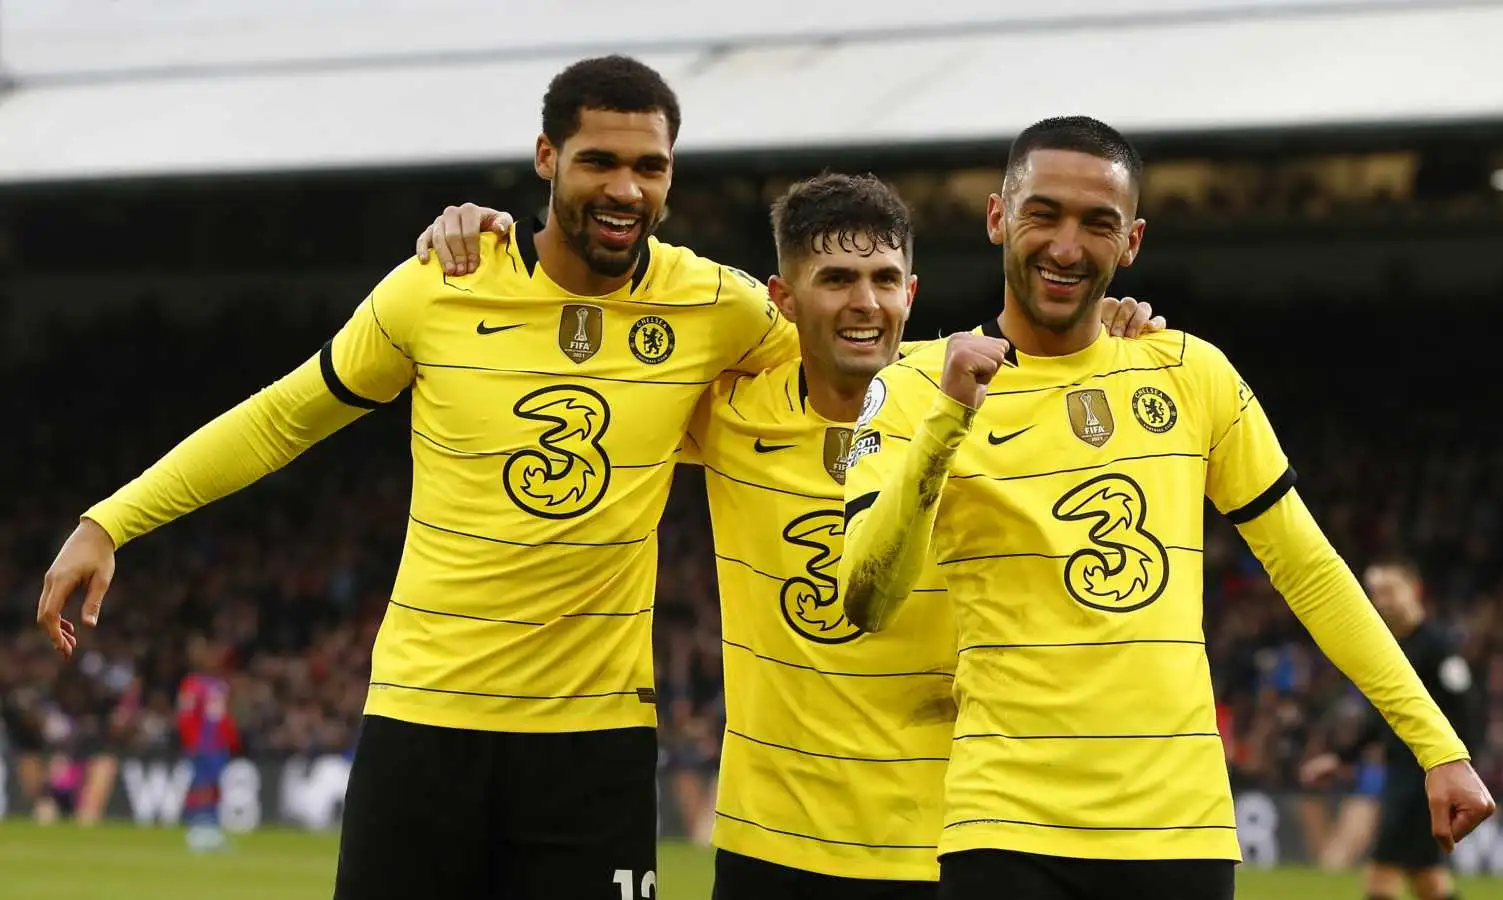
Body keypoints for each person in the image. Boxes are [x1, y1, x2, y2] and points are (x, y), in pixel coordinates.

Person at [36, 55, 800, 900]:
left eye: (649, 167)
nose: (626, 188)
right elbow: (282, 417)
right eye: (600, 162)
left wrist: (962, 359)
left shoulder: (718, 306)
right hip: (425, 720)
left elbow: (855, 375)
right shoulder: (442, 284)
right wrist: (111, 520)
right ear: (547, 158)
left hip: (597, 739)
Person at [415, 177, 1163, 900]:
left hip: (944, 850)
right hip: (766, 848)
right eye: (835, 279)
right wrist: (499, 251)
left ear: (911, 292)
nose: (863, 302)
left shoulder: (977, 397)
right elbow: (588, 347)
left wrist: (1120, 335)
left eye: (882, 279)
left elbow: (1089, 379)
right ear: (783, 299)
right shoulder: (728, 410)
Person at [837, 115, 1497, 900]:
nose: (1066, 246)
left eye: (1098, 224)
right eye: (1042, 213)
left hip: (1181, 831)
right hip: (1005, 826)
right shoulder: (914, 385)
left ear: (1134, 242)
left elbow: (1309, 569)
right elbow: (867, 598)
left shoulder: (1190, 372)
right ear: (996, 217)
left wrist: (1437, 745)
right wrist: (948, 421)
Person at [1300, 557, 1477, 900]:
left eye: (1389, 590)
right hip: (1402, 776)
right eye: (1375, 592)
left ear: (1415, 590)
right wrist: (1342, 757)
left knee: (1381, 875)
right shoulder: (1393, 647)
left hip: (1424, 781)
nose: (1380, 600)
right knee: (1428, 881)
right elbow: (1384, 718)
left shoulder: (1439, 649)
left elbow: (1466, 718)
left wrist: (1461, 775)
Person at [175, 633, 241, 852]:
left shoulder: (219, 685)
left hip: (219, 747)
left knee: (213, 788)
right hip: (202, 746)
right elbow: (185, 717)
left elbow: (224, 719)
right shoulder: (192, 685)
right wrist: (193, 742)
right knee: (201, 786)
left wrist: (231, 742)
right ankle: (197, 830)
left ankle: (210, 830)